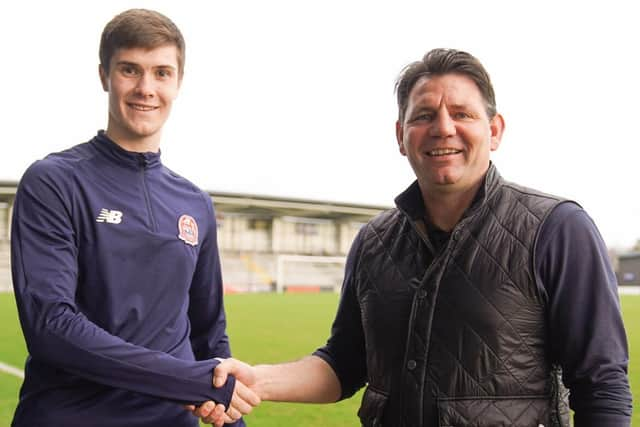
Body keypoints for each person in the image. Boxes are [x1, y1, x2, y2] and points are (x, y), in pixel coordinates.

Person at [194, 48, 632, 426]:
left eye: (462, 113)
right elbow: (345, 364)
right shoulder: (373, 242)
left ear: (494, 130)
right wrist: (257, 380)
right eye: (424, 116)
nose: (443, 128)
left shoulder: (556, 228)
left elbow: (602, 385)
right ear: (401, 136)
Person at [10, 8, 259, 427]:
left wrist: (230, 417)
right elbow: (50, 326)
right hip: (70, 417)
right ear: (104, 75)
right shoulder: (53, 181)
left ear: (179, 82)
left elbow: (209, 333)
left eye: (162, 73)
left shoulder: (195, 202)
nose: (146, 88)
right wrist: (188, 380)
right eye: (130, 70)